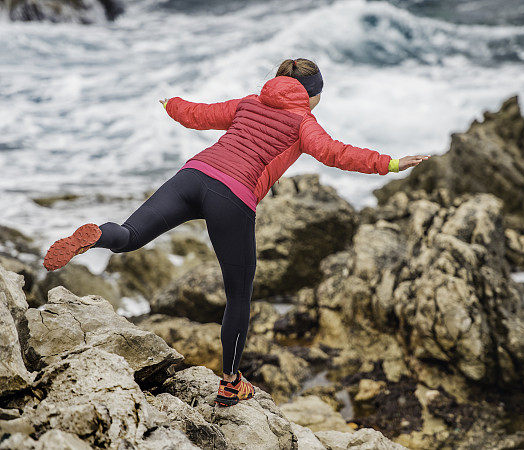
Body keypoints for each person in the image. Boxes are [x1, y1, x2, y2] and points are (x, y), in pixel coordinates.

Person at [42, 58, 429, 407]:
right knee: (238, 296)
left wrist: (170, 104)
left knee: (129, 236)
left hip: (193, 175)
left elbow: (199, 114)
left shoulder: (249, 102)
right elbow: (337, 153)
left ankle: (96, 235)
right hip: (233, 196)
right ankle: (230, 382)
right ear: (313, 96)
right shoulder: (303, 123)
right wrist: (392, 163)